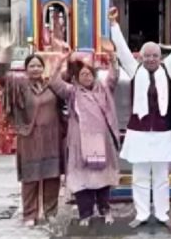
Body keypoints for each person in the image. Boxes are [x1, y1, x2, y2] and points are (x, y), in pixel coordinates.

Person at [109, 6, 171, 228]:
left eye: (155, 55)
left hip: (163, 132)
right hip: (139, 132)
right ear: (141, 56)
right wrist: (114, 24)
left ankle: (163, 214)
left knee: (162, 176)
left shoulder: (169, 68)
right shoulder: (135, 70)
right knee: (140, 176)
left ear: (160, 56)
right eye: (147, 55)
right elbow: (122, 50)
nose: (152, 58)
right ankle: (142, 213)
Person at [48, 42, 120, 227]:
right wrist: (61, 61)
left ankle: (105, 210)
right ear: (77, 78)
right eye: (82, 74)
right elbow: (54, 82)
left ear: (94, 75)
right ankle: (85, 214)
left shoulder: (103, 89)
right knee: (83, 180)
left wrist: (112, 57)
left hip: (102, 142)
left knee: (102, 179)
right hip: (80, 142)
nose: (86, 76)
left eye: (89, 74)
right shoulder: (72, 92)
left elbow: (114, 76)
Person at [0, 39, 64, 227]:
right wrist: (5, 51)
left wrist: (62, 56)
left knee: (52, 176)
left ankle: (51, 212)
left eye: (38, 66)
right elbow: (1, 76)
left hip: (52, 137)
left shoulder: (51, 85)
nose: (35, 69)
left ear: (43, 68)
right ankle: (30, 214)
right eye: (32, 66)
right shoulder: (19, 85)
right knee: (30, 178)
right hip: (29, 138)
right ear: (26, 69)